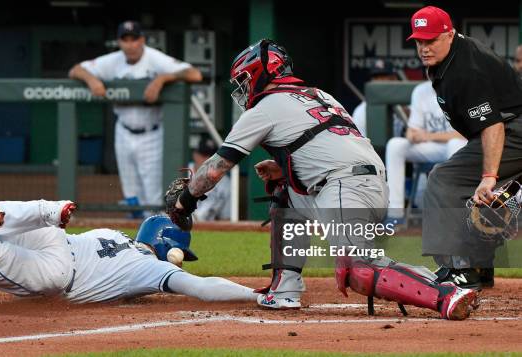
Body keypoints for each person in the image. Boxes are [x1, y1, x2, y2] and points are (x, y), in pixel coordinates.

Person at [169, 39, 478, 320]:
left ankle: (445, 295)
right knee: (284, 189)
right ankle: (285, 289)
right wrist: (286, 168)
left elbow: (214, 169)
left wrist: (185, 201)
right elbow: (333, 142)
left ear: (264, 74)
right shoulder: (319, 95)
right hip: (364, 182)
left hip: (346, 186)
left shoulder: (265, 107)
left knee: (357, 270)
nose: (244, 89)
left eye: (246, 80)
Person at [0, 181, 256, 303]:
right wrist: (253, 293)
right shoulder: (147, 267)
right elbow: (198, 287)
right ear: (168, 247)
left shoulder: (111, 234)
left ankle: (45, 210)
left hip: (54, 238)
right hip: (57, 273)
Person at [407, 6, 522, 289]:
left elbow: (493, 126)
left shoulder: (465, 67)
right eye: (419, 41)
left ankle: (459, 268)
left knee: (445, 180)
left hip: (513, 132)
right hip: (508, 129)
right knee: (477, 196)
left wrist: (489, 176)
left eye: (431, 40)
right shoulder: (452, 56)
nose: (424, 47)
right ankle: (480, 266)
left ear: (448, 33)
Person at [69, 20, 202, 216]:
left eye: (134, 39)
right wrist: (91, 79)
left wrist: (162, 78)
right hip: (123, 130)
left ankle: (153, 238)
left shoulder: (154, 58)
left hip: (151, 132)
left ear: (142, 40)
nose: (130, 45)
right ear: (119, 42)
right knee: (130, 193)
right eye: (125, 40)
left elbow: (194, 74)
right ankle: (134, 239)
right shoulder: (113, 60)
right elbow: (75, 70)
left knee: (152, 195)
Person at [385, 80, 466, 220]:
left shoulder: (464, 87)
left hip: (458, 147)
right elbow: (413, 129)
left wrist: (428, 136)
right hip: (431, 146)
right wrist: (411, 135)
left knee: (455, 144)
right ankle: (394, 214)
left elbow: (465, 134)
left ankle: (455, 213)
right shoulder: (421, 90)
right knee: (395, 145)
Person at [351, 59, 404, 137]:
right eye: (376, 78)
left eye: (385, 78)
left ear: (395, 79)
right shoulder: (362, 111)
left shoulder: (405, 105)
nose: (380, 82)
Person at [191, 135, 231, 221]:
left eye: (211, 155)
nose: (208, 159)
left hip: (206, 228)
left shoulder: (225, 183)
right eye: (203, 155)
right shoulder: (182, 172)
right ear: (195, 154)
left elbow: (226, 219)